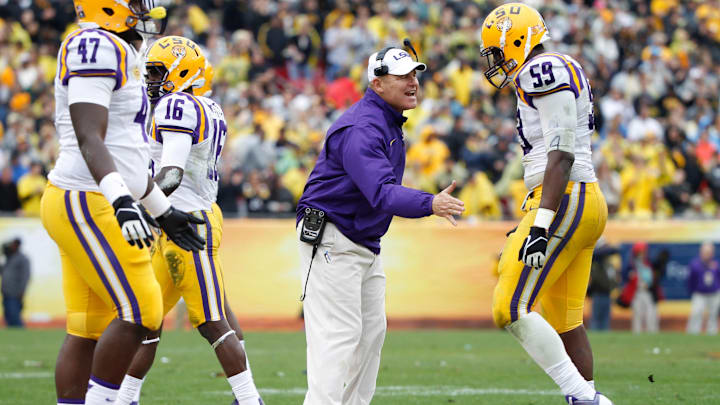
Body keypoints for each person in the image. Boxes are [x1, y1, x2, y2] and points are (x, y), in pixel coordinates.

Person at [40, 3, 206, 405]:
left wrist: (161, 211)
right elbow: (89, 135)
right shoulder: (95, 43)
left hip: (95, 194)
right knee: (143, 310)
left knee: (87, 327)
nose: (144, 8)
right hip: (87, 196)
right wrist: (122, 201)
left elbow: (126, 153)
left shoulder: (117, 48)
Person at [296, 42, 465, 405]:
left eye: (414, 74)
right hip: (332, 235)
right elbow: (381, 193)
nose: (413, 82)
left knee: (371, 334)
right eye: (401, 76)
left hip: (360, 239)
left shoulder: (383, 120)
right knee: (338, 337)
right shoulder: (363, 127)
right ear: (377, 84)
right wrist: (430, 202)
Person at [115, 38, 262, 405]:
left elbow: (171, 173)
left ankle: (249, 400)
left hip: (184, 220)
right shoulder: (205, 105)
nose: (149, 78)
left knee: (212, 320)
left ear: (180, 71)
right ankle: (124, 398)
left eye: (156, 71)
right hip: (180, 217)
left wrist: (141, 207)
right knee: (144, 319)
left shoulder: (177, 104)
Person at [480, 3, 612, 405]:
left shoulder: (543, 69)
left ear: (516, 40)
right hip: (580, 198)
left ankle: (586, 399)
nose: (495, 62)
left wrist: (541, 223)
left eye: (497, 51)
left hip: (564, 195)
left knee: (509, 306)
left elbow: (561, 152)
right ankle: (585, 398)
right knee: (565, 322)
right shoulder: (557, 66)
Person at [686, 242, 720, 335]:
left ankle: (712, 334)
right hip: (699, 294)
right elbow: (690, 280)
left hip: (714, 294)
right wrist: (693, 291)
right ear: (701, 252)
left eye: (709, 252)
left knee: (713, 315)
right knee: (696, 314)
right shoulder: (695, 264)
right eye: (705, 252)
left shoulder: (716, 264)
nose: (707, 254)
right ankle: (693, 334)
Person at [627, 242, 659, 333]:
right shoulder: (632, 265)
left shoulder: (649, 263)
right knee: (637, 315)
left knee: (650, 315)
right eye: (640, 252)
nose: (642, 254)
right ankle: (637, 334)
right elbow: (627, 277)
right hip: (637, 292)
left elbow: (653, 278)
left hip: (648, 292)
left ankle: (652, 333)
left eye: (643, 252)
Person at [588, 238, 619, 331]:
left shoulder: (608, 265)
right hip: (598, 294)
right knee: (596, 320)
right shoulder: (595, 263)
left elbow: (613, 280)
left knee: (605, 320)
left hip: (607, 294)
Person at [0, 238, 30, 327]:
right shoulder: (9, 258)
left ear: (17, 246)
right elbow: (3, 271)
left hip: (15, 293)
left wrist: (21, 291)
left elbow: (25, 276)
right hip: (6, 292)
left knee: (14, 317)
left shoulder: (22, 259)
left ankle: (22, 336)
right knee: (8, 317)